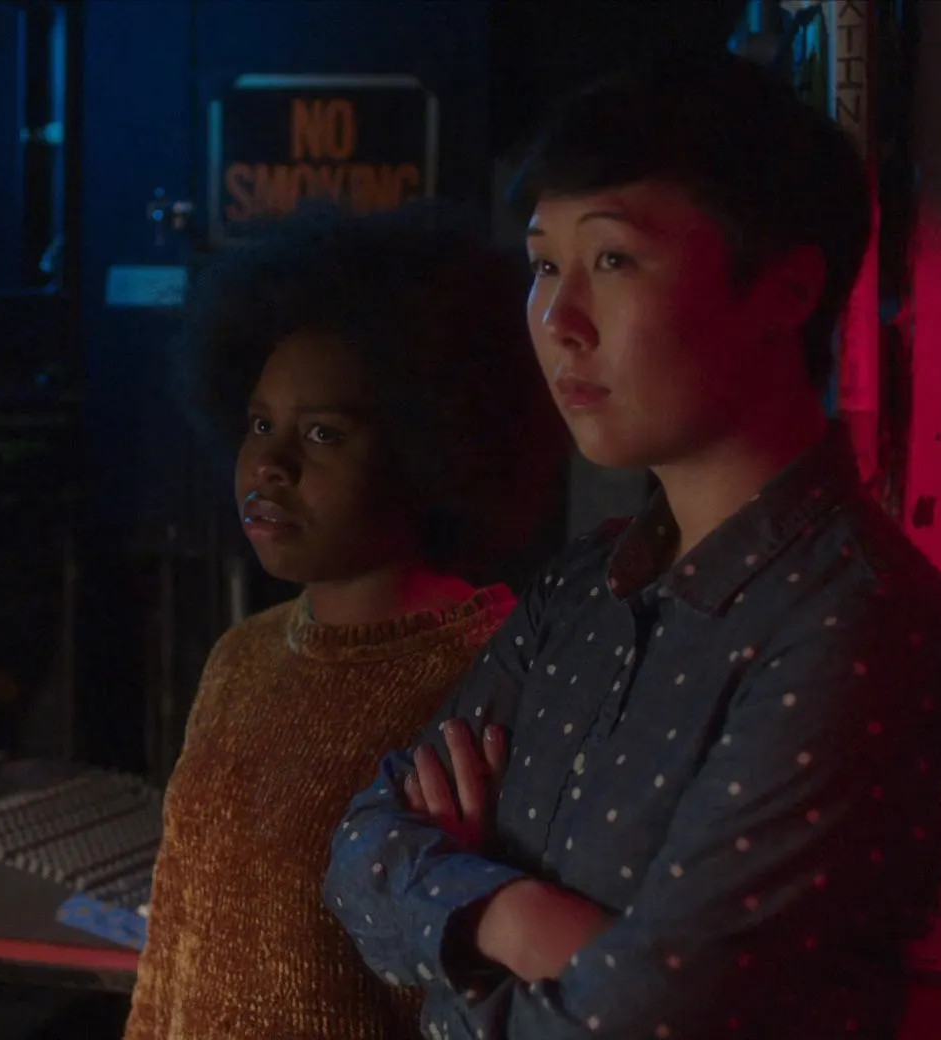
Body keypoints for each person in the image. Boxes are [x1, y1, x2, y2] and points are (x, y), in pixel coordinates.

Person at [324, 53, 941, 1040]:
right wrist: (517, 915)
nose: (560, 321)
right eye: (545, 265)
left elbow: (649, 1020)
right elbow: (359, 850)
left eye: (613, 260)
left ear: (786, 290)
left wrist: (457, 916)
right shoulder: (582, 589)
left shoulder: (857, 623)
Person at [122, 205, 565, 1040]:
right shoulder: (240, 656)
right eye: (260, 425)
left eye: (324, 433)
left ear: (434, 447)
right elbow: (171, 947)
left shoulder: (492, 675)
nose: (269, 464)